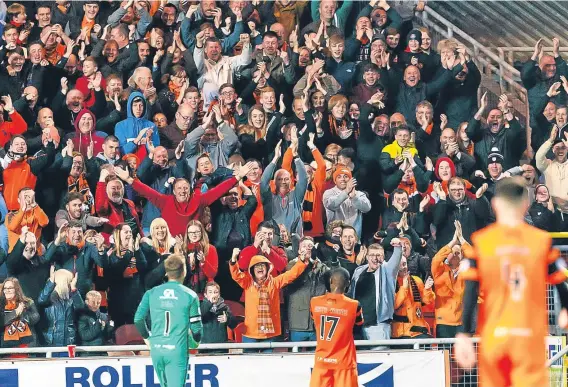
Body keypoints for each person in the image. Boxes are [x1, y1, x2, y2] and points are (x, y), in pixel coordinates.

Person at [456, 177, 568, 386]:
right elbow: (561, 281)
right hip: (529, 337)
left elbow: (470, 290)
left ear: (496, 205)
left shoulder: (481, 242)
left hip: (495, 336)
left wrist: (463, 333)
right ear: (525, 205)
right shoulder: (541, 242)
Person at [134, 254, 203, 387]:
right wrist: (195, 343)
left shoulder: (151, 293)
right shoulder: (190, 295)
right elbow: (197, 329)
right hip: (177, 350)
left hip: (157, 349)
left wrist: (148, 338)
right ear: (184, 271)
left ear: (166, 272)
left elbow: (138, 319)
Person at [309, 266, 364, 387]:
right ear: (348, 283)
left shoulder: (314, 302)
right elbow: (359, 325)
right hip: (344, 362)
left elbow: (314, 321)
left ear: (330, 281)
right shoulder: (355, 305)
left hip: (322, 361)